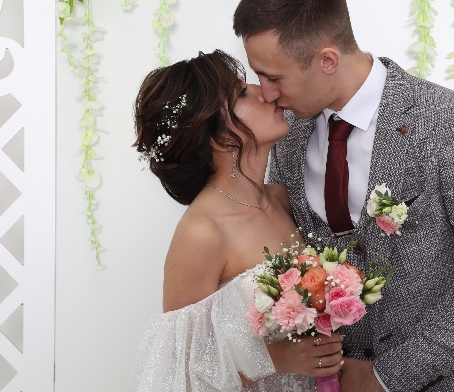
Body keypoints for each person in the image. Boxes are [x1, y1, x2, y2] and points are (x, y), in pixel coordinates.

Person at [233, 0, 454, 392]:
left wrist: (385, 377)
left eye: (274, 77)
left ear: (327, 60)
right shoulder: (289, 135)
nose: (265, 93)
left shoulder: (453, 122)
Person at [128, 50, 344, 392]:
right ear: (220, 138)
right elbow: (177, 374)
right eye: (242, 93)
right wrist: (279, 358)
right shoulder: (202, 232)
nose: (265, 92)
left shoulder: (282, 199)